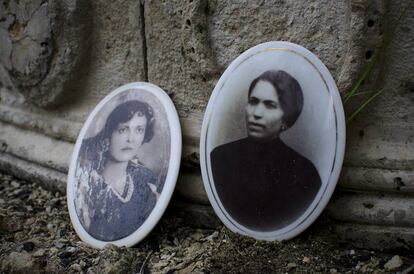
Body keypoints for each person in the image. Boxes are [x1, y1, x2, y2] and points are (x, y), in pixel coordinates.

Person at [210, 70, 321, 231]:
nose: (256, 114)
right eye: (253, 102)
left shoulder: (304, 173)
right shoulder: (219, 157)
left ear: (286, 119)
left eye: (270, 105)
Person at [74, 100, 161, 241]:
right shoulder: (87, 186)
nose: (131, 139)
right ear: (109, 134)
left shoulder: (145, 184)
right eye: (122, 130)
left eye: (139, 130)